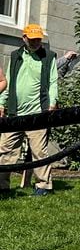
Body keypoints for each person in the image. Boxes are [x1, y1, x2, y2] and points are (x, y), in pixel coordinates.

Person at [0, 23, 58, 196]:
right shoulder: (15, 55)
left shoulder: (48, 56)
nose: (35, 42)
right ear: (24, 38)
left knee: (39, 152)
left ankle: (43, 186)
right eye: (32, 39)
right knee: (5, 150)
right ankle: (2, 185)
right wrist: (2, 103)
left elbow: (53, 82)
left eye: (38, 39)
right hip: (15, 112)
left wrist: (52, 102)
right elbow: (8, 81)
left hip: (37, 113)